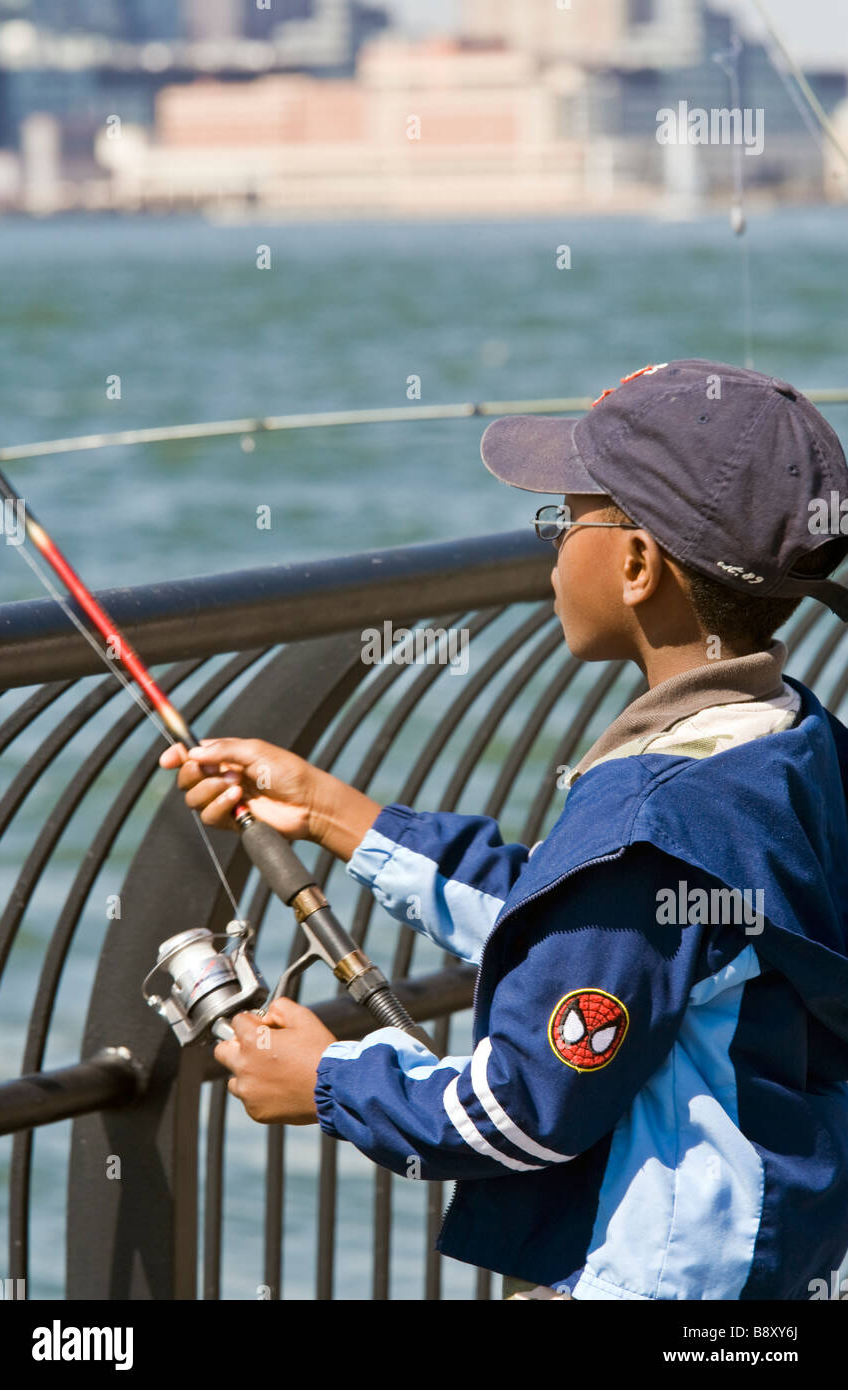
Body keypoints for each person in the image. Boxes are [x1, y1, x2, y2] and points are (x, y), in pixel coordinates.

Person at [160, 358, 848, 1300]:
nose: (552, 549)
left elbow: (522, 1108)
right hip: (775, 1257)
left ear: (638, 566)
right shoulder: (793, 745)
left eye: (566, 522)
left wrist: (328, 1078)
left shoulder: (656, 819)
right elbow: (592, 927)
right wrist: (334, 815)